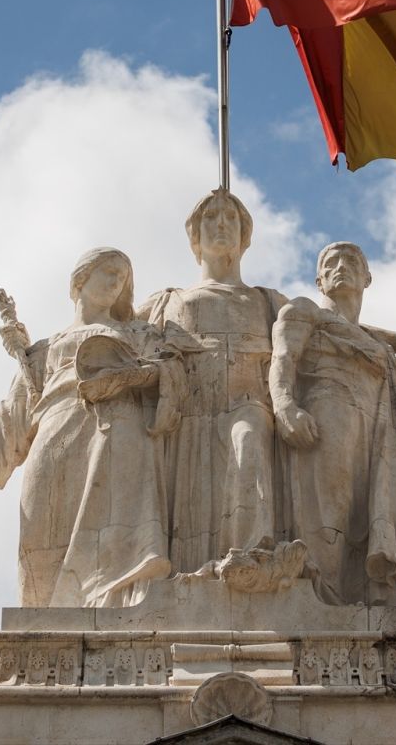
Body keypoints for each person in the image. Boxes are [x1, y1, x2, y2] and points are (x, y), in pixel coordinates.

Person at [0, 247, 183, 608]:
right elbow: (15, 407)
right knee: (40, 528)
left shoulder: (139, 333)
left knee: (117, 532)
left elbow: (170, 373)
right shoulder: (46, 348)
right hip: (53, 431)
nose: (115, 282)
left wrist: (133, 376)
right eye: (109, 271)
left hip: (118, 430)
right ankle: (44, 613)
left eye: (122, 277)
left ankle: (117, 609)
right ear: (80, 279)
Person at [269, 242, 396, 606]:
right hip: (327, 414)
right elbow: (283, 357)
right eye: (331, 262)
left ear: (367, 278)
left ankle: (359, 595)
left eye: (351, 261)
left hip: (378, 432)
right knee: (328, 510)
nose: (341, 267)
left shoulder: (369, 339)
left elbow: (364, 332)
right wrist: (284, 404)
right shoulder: (302, 310)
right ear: (319, 281)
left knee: (365, 514)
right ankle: (323, 599)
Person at [139, 190, 288, 574]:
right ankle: (193, 575)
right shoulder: (168, 301)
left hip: (248, 402)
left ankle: (252, 558)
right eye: (211, 216)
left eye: (231, 217)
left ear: (245, 236)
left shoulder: (269, 302)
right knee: (192, 499)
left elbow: (330, 332)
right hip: (187, 413)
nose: (221, 223)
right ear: (194, 236)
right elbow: (116, 333)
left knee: (248, 443)